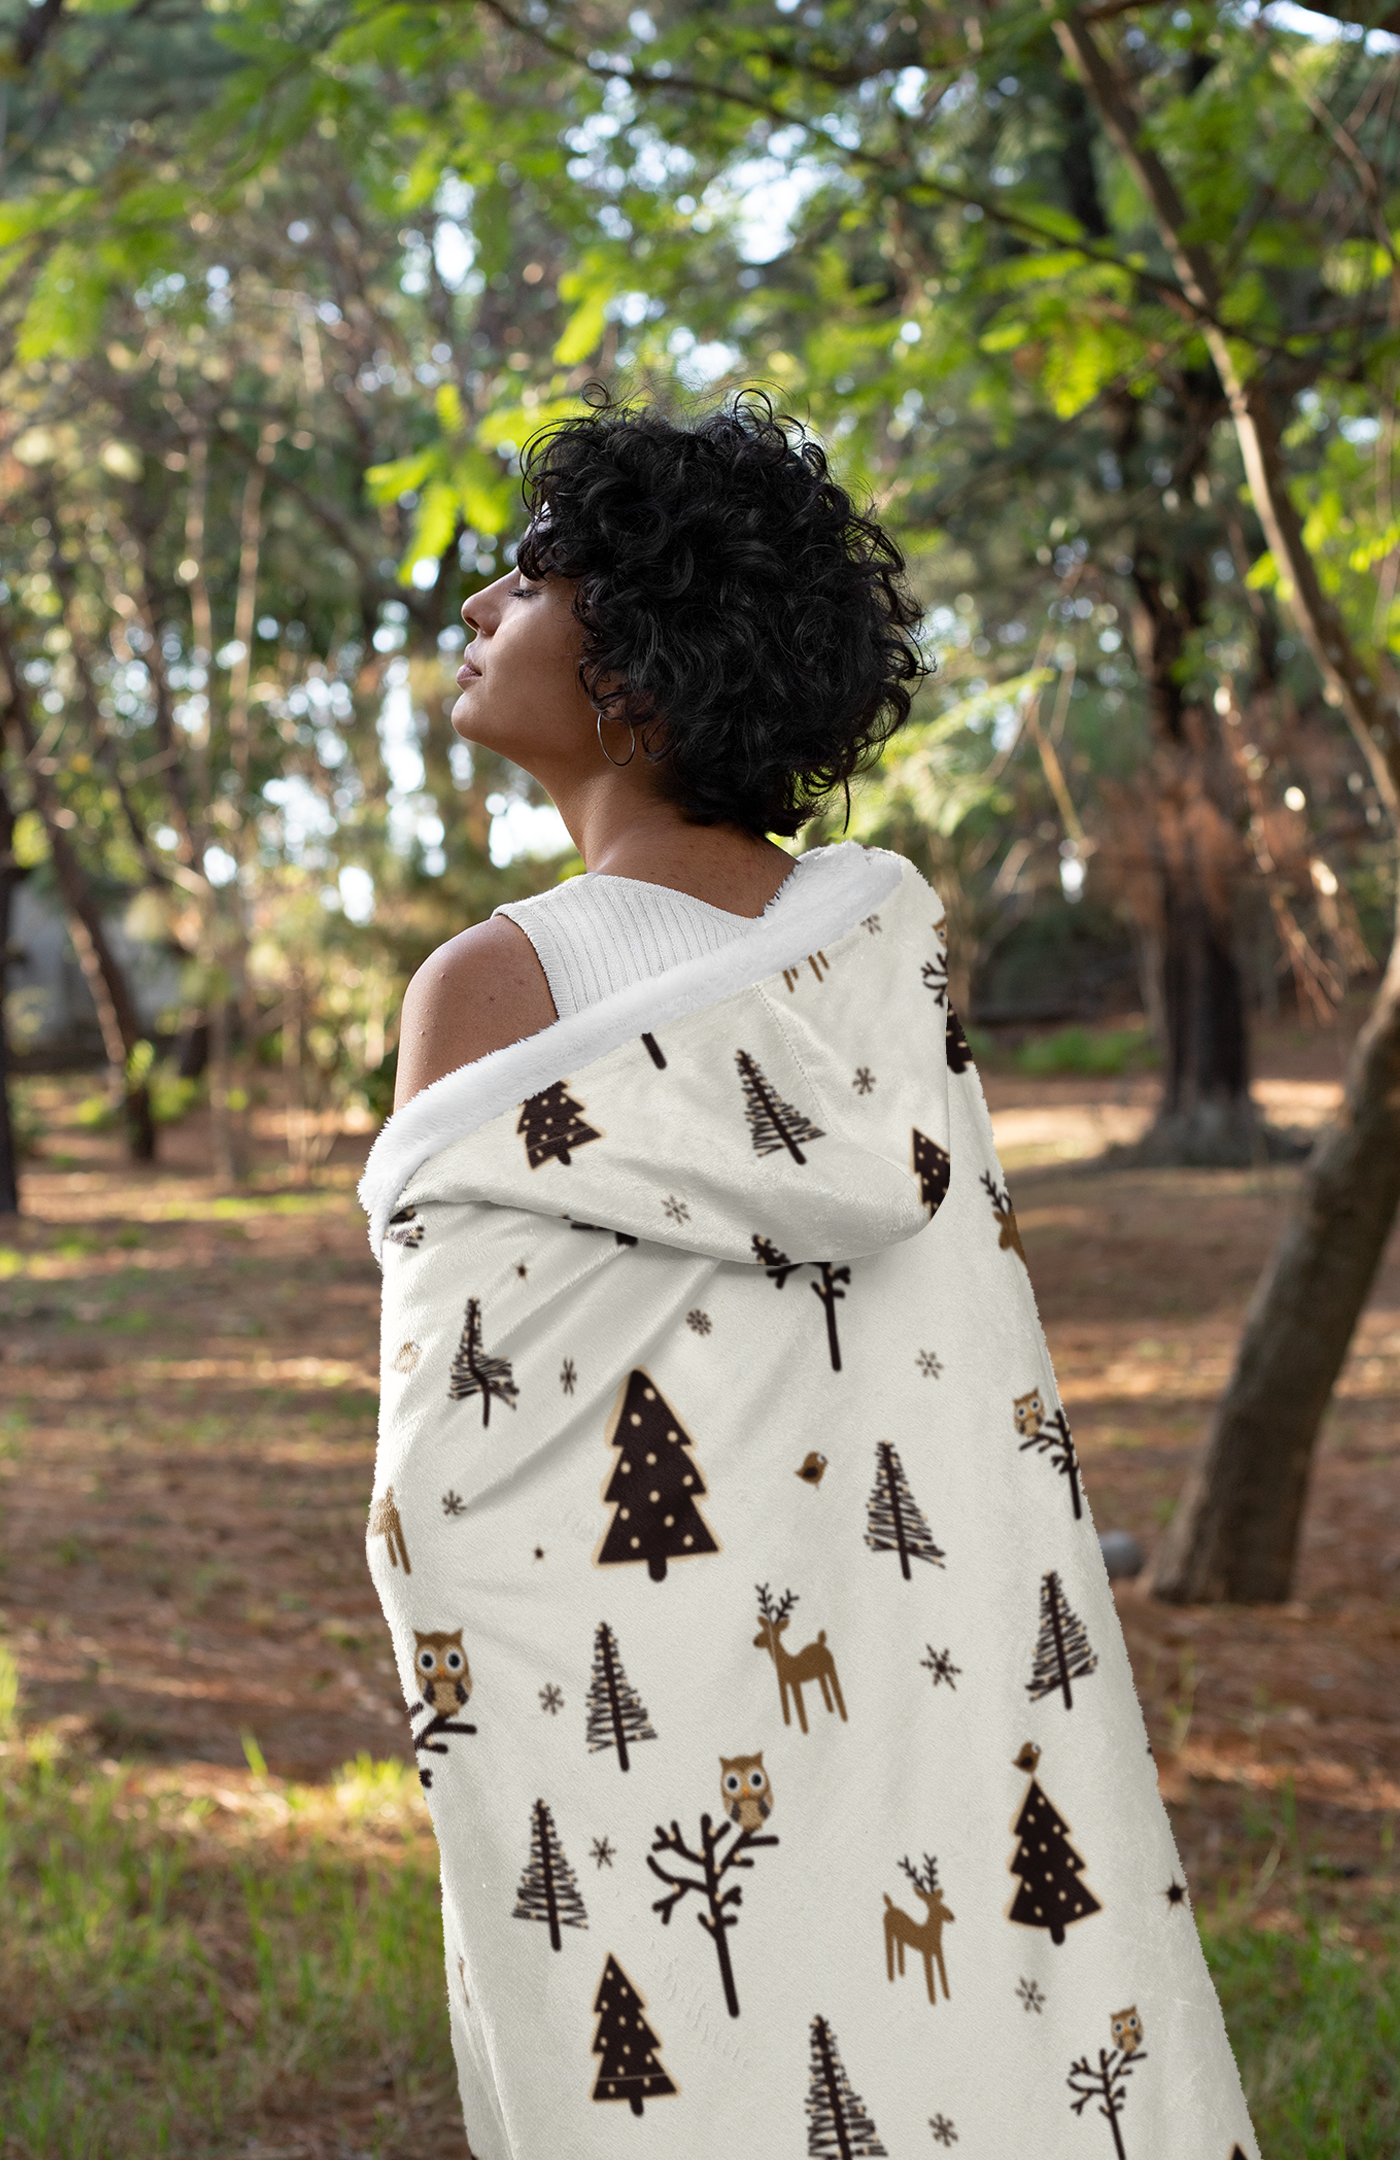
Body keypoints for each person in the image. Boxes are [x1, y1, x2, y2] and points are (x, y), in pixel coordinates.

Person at [359, 393, 1255, 2160]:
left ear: (637, 655)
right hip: (932, 1713)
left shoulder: (498, 987)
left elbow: (450, 1449)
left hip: (621, 1723)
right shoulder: (870, 956)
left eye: (530, 575)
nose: (477, 606)